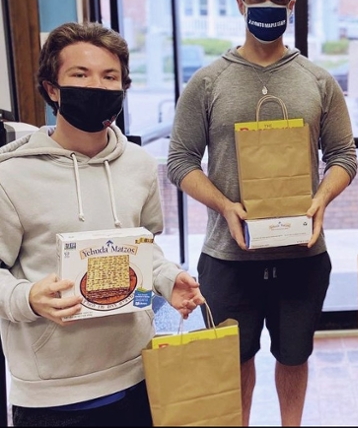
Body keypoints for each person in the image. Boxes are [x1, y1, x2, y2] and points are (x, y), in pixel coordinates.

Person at [166, 0, 357, 426]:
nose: (266, 5)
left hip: (302, 253)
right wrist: (224, 206)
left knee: (294, 358)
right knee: (235, 359)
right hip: (229, 256)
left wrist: (319, 200)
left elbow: (344, 157)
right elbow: (180, 161)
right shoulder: (208, 81)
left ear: (291, 6)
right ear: (240, 3)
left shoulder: (318, 81)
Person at [0, 21, 205, 427]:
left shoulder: (140, 167)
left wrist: (167, 279)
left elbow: (145, 247)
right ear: (52, 88)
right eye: (80, 75)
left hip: (139, 375)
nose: (97, 86)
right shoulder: (11, 176)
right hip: (53, 396)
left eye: (109, 77)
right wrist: (27, 297)